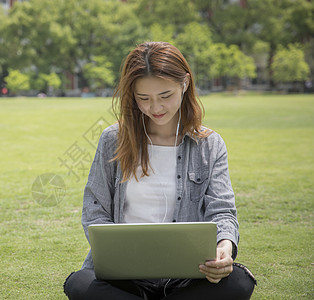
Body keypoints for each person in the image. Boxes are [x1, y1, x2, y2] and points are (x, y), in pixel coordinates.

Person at [63, 42, 256, 300]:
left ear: (184, 84)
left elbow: (222, 211)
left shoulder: (210, 144)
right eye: (143, 98)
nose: (155, 108)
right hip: (125, 279)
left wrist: (224, 246)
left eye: (165, 96)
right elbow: (95, 209)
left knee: (240, 282)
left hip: (188, 278)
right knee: (79, 283)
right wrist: (113, 253)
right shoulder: (113, 139)